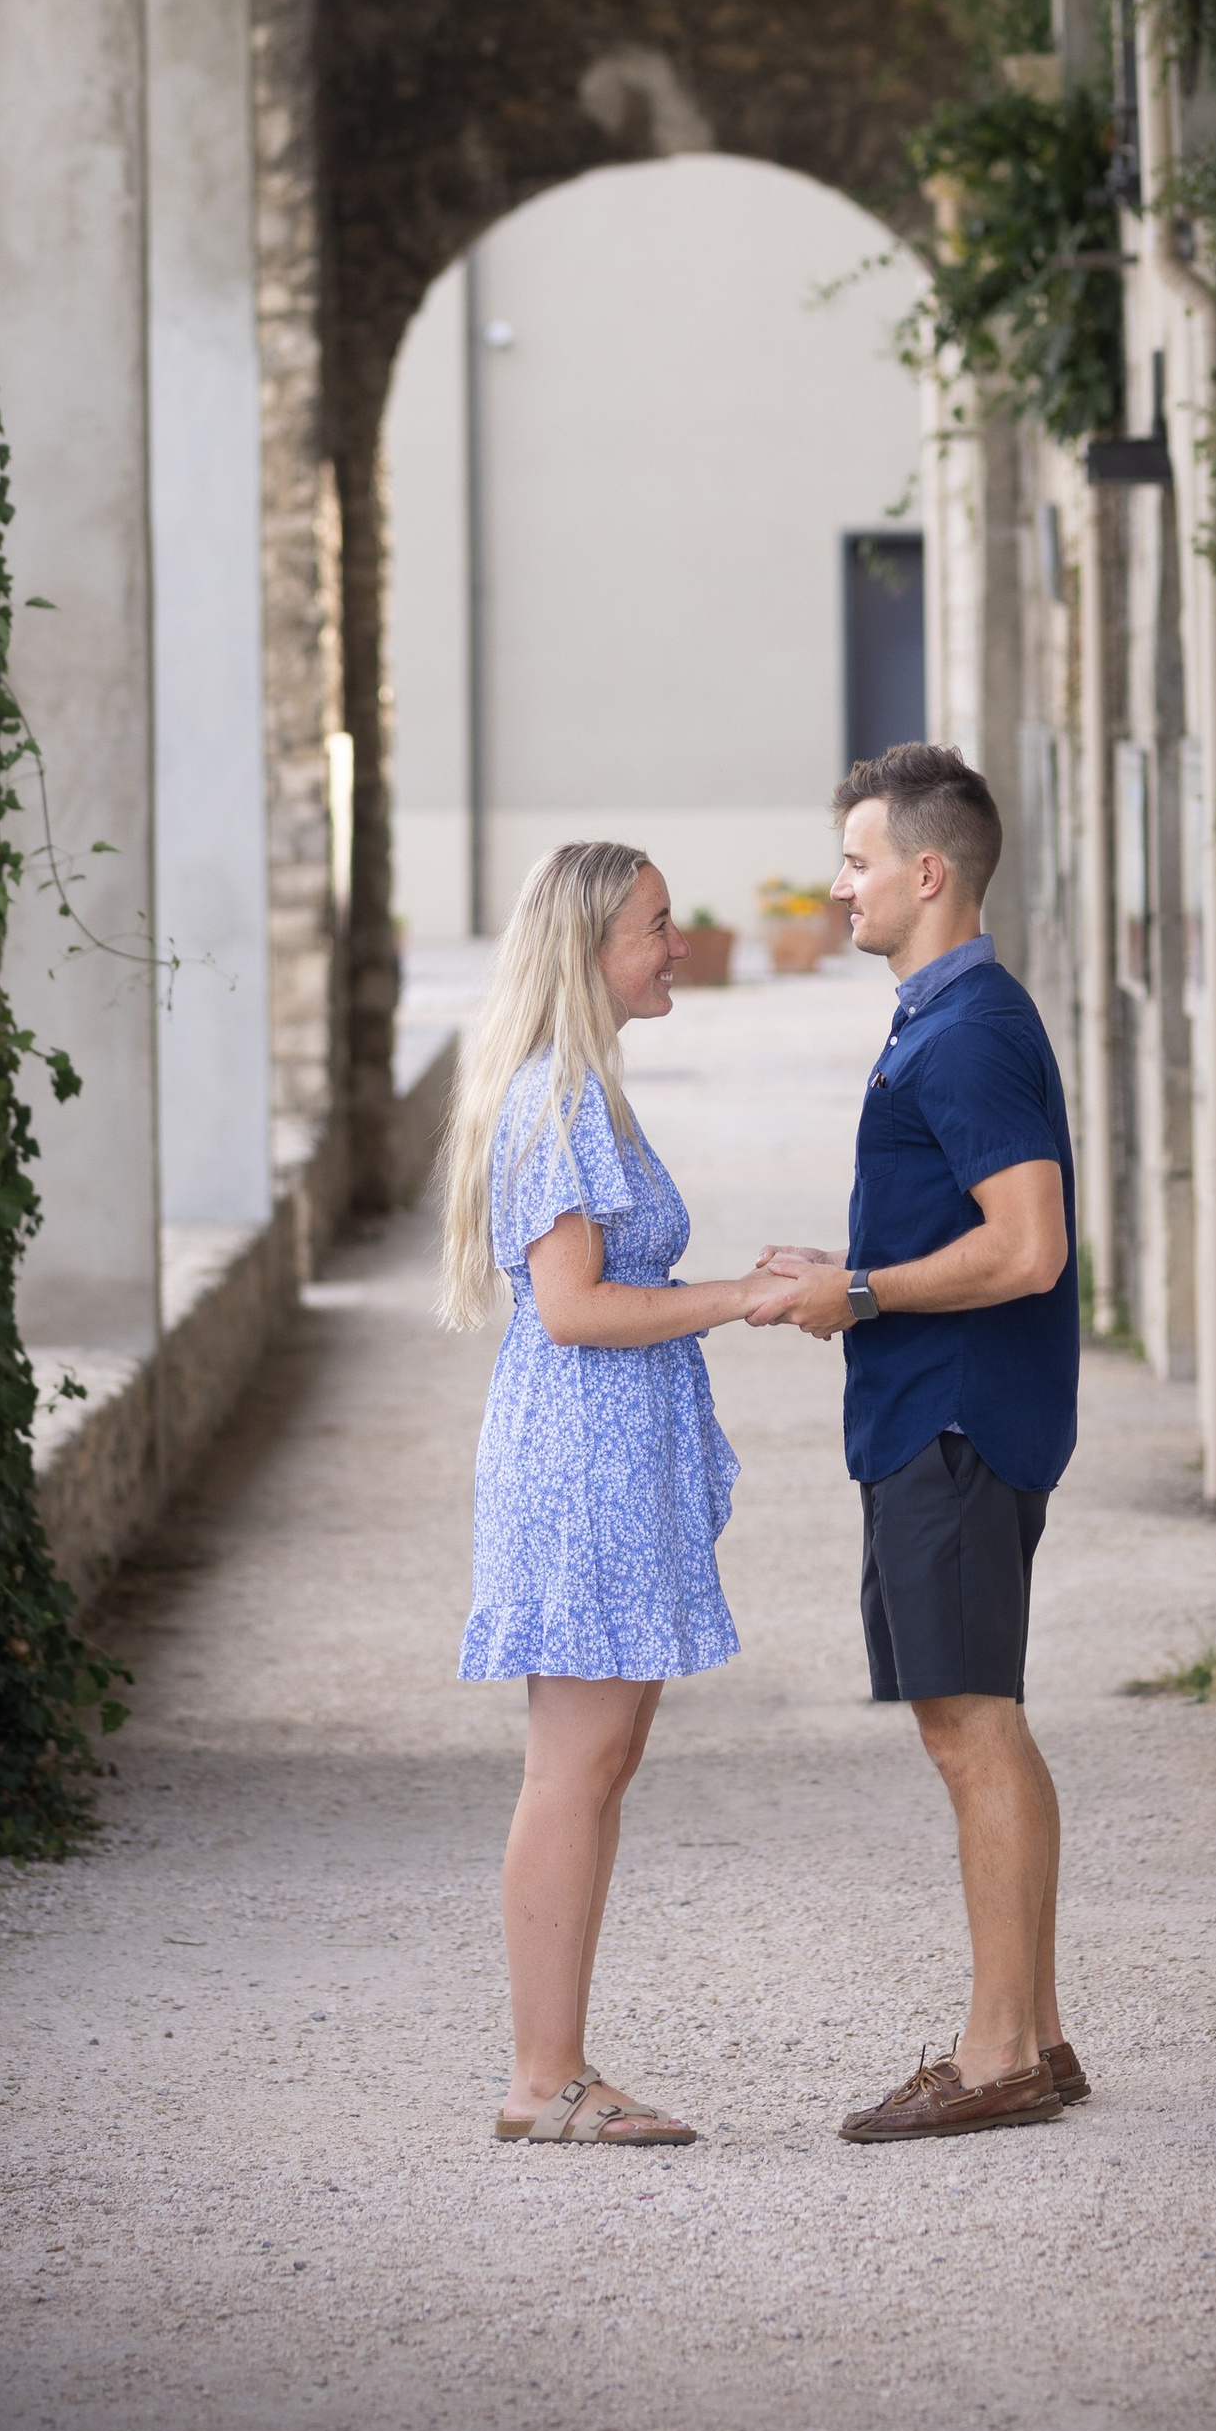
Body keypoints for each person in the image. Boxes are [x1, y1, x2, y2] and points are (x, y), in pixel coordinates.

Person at [757, 743, 1085, 2143]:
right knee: (979, 1718)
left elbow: (1028, 1246)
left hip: (953, 1420)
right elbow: (974, 1226)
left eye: (858, 860)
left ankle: (999, 2047)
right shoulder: (948, 1017)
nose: (841, 885)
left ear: (928, 871)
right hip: (942, 1407)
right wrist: (855, 1268)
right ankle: (1041, 2032)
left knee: (970, 1726)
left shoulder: (962, 1032)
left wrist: (867, 1291)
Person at [440, 838, 780, 2149]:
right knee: (574, 1765)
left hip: (604, 1449)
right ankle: (545, 2075)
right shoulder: (559, 1098)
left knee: (599, 1761)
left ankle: (562, 2065)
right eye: (656, 924)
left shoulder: (581, 1089)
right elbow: (576, 1307)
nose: (677, 942)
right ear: (591, 947)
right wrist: (739, 1298)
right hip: (580, 1454)